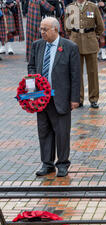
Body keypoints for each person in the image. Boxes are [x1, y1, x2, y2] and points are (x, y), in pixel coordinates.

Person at [28, 17, 81, 177]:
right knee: (44, 131)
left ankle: (63, 163)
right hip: (41, 98)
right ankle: (47, 163)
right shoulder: (37, 45)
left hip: (61, 97)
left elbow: (75, 74)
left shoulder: (69, 47)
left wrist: (74, 98)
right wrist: (31, 91)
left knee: (62, 132)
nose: (42, 32)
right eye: (41, 29)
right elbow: (31, 66)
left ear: (55, 30)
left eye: (45, 29)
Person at [65, 0, 104, 109]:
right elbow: (67, 27)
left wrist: (94, 36)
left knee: (93, 72)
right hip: (75, 43)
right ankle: (79, 98)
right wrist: (73, 36)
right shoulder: (70, 7)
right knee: (77, 73)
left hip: (90, 42)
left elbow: (100, 26)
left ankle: (94, 99)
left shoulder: (93, 7)